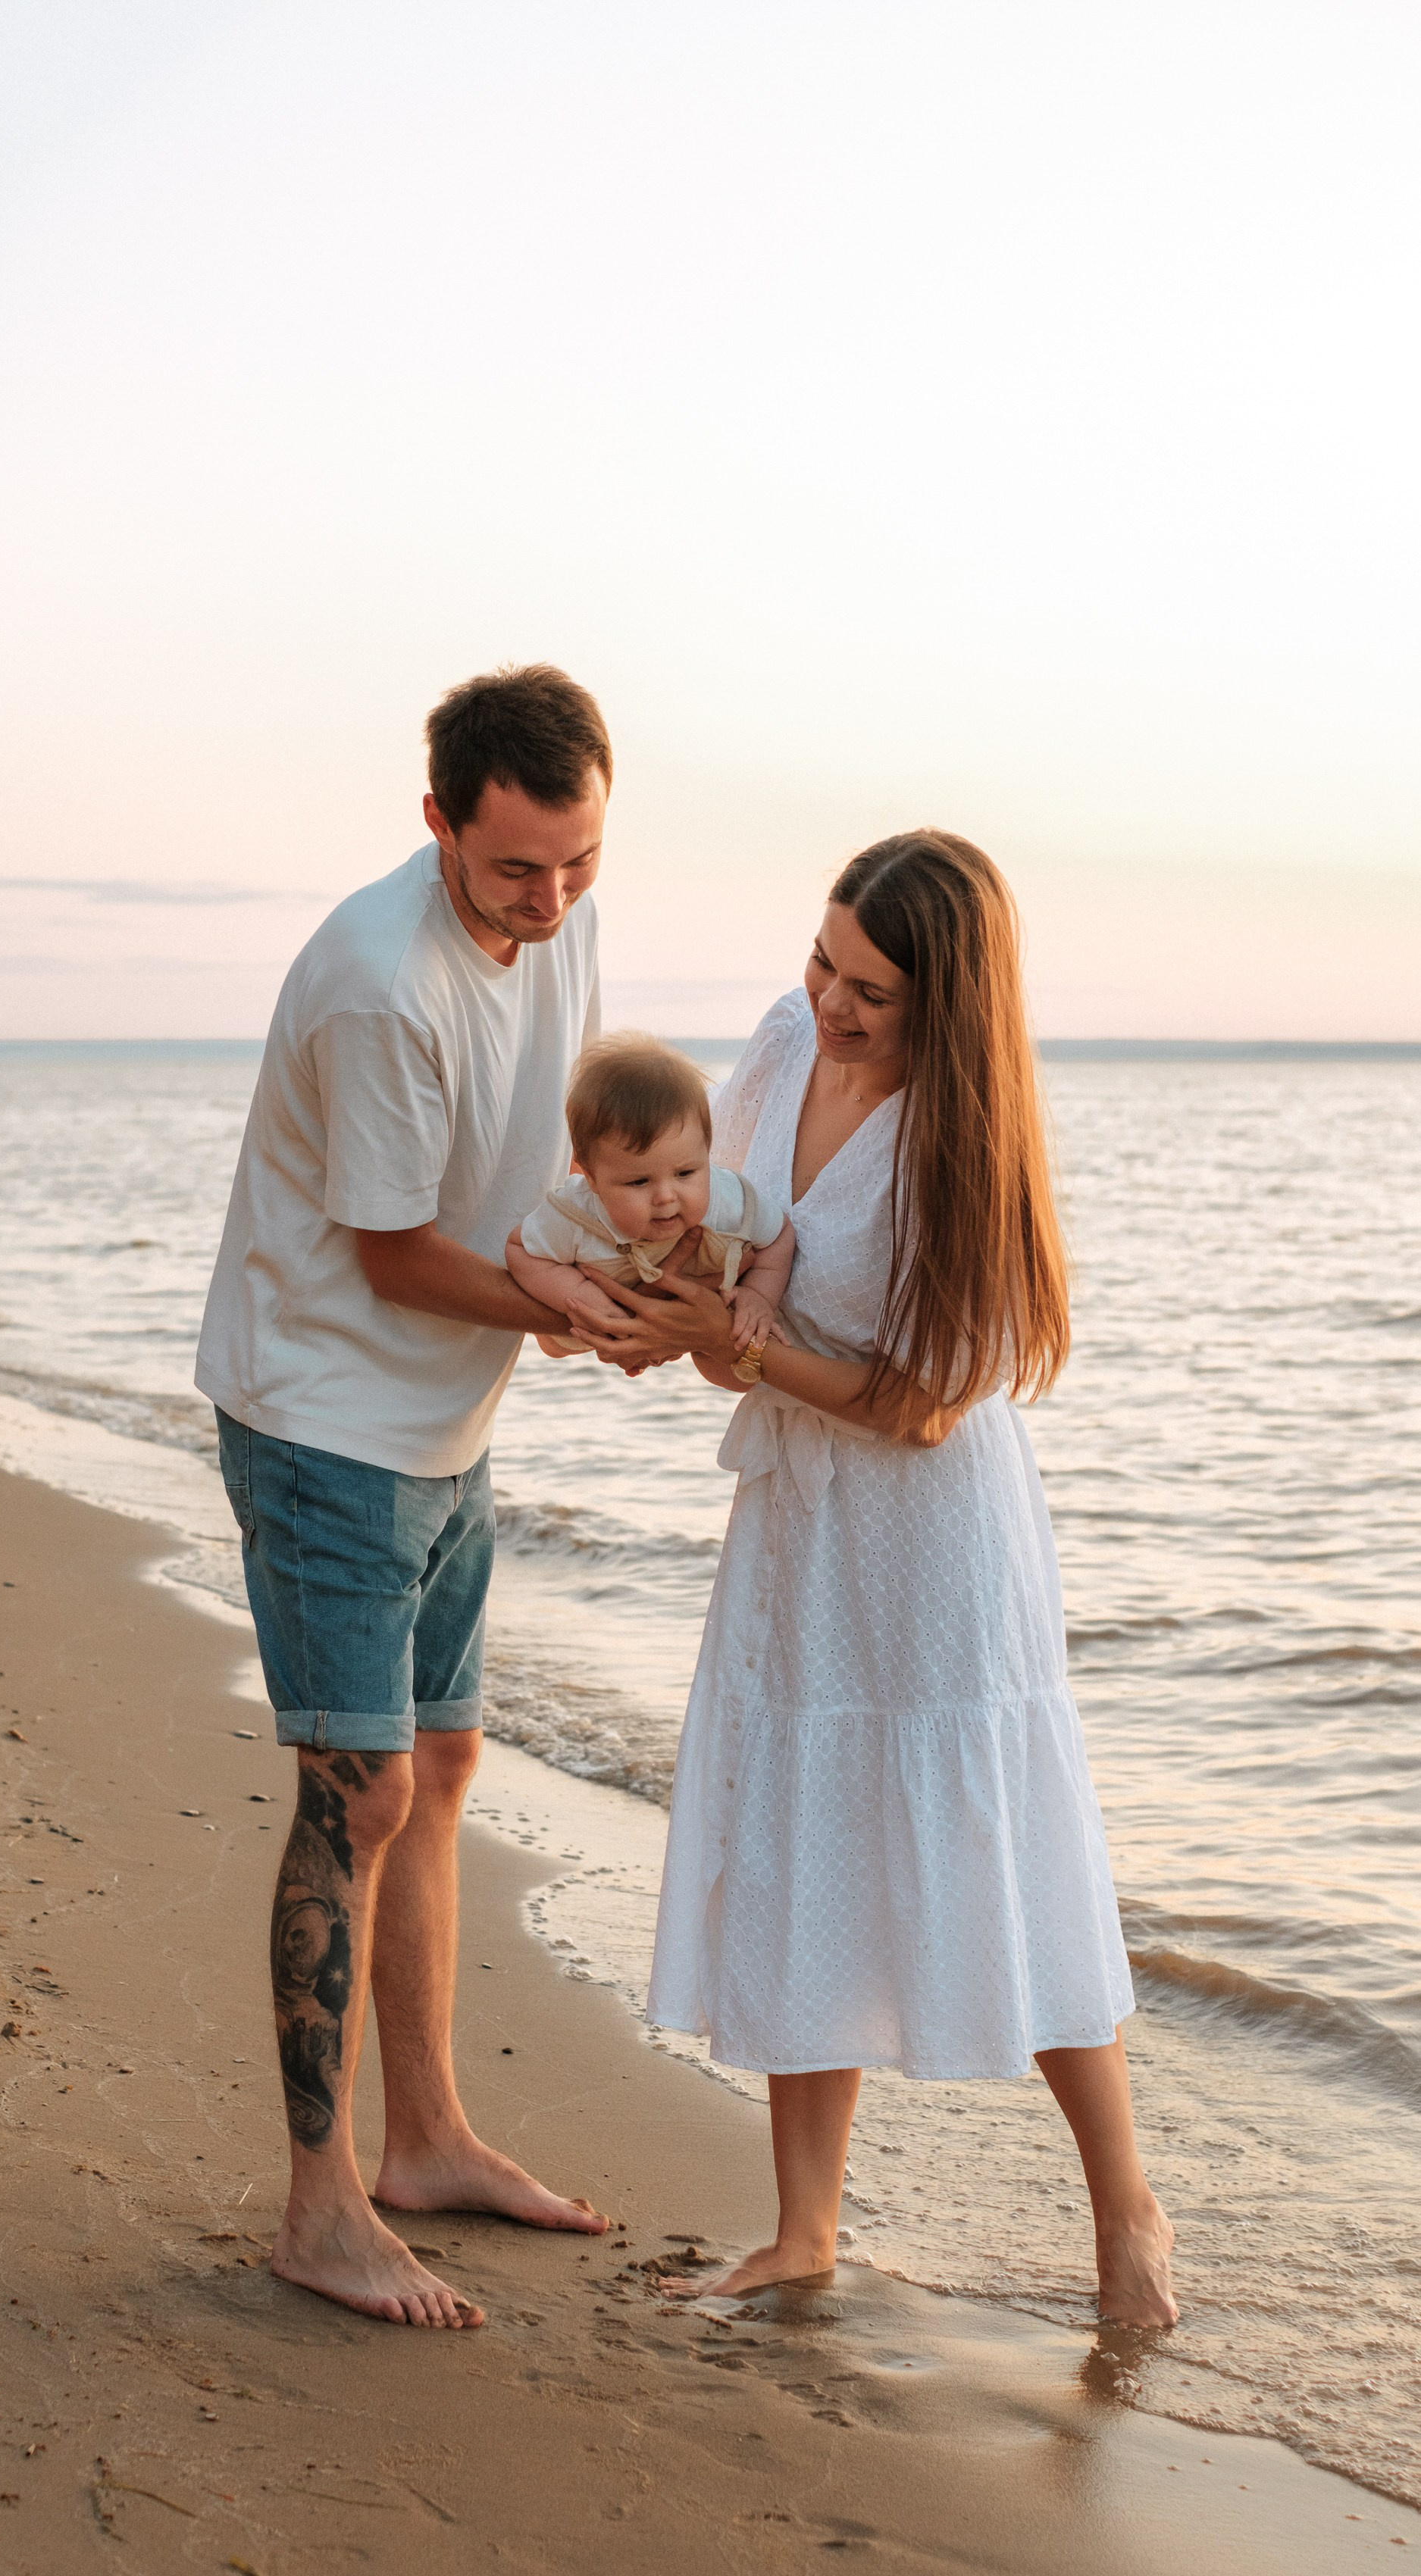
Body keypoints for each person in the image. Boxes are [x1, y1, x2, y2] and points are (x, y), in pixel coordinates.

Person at [577, 830, 1178, 2329]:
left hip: (923, 1542)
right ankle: (801, 2227)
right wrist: (639, 1296)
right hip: (793, 1519)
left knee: (1000, 1865)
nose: (826, 1000)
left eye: (867, 990)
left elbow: (920, 1403)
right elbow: (716, 1221)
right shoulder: (784, 1041)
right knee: (796, 1843)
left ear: (944, 1006)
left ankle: (1127, 2213)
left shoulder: (957, 1151)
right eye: (821, 960)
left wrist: (735, 1349)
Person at [195, 664, 615, 2329]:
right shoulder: (378, 980)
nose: (553, 897)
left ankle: (427, 2136)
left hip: (446, 1422)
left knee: (440, 1766)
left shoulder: (562, 907)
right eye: (517, 866)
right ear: (436, 818)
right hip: (324, 1416)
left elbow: (554, 1149)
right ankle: (320, 2205)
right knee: (350, 1794)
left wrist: (653, 1254)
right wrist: (570, 1310)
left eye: (579, 858)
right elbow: (390, 1248)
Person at [505, 1033, 796, 1359]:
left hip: (690, 1325)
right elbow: (521, 1251)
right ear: (591, 1177)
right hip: (589, 1327)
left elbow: (780, 1235)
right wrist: (584, 1296)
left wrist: (759, 1295)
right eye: (639, 1181)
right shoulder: (575, 1215)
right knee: (561, 1347)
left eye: (686, 1173)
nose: (666, 1197)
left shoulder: (728, 1201)